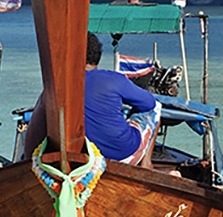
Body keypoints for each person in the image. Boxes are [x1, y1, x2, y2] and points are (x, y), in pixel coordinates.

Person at [19, 33, 162, 166]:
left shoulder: (56, 86)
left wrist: (28, 161)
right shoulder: (114, 79)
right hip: (124, 156)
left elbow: (34, 132)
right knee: (156, 107)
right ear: (98, 57)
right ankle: (146, 164)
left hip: (82, 158)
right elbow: (149, 104)